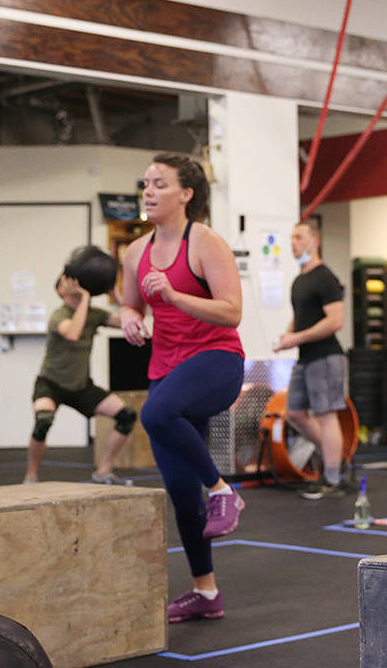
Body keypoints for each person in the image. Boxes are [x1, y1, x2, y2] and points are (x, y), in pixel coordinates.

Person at [119, 152, 245, 623]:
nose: (148, 192)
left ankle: (223, 489)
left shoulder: (205, 242)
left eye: (160, 184)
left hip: (216, 361)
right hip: (166, 368)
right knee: (179, 493)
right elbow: (129, 305)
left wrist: (173, 295)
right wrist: (131, 321)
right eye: (146, 184)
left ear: (186, 194)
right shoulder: (135, 251)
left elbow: (232, 311)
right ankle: (206, 592)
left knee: (154, 413)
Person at [24, 274, 135, 485]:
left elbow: (127, 323)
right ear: (60, 291)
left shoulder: (94, 315)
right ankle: (31, 475)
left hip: (81, 386)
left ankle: (103, 471)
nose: (74, 284)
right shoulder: (59, 315)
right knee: (43, 422)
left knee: (126, 416)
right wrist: (85, 298)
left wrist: (117, 295)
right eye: (67, 282)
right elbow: (73, 333)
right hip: (51, 384)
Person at [274, 219, 348, 499]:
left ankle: (332, 478)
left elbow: (336, 321)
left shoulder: (325, 277)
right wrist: (287, 335)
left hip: (326, 357)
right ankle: (334, 457)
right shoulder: (299, 280)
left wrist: (298, 337)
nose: (294, 243)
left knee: (326, 415)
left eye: (299, 237)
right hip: (305, 358)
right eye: (292, 238)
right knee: (294, 413)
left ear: (315, 241)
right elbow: (301, 316)